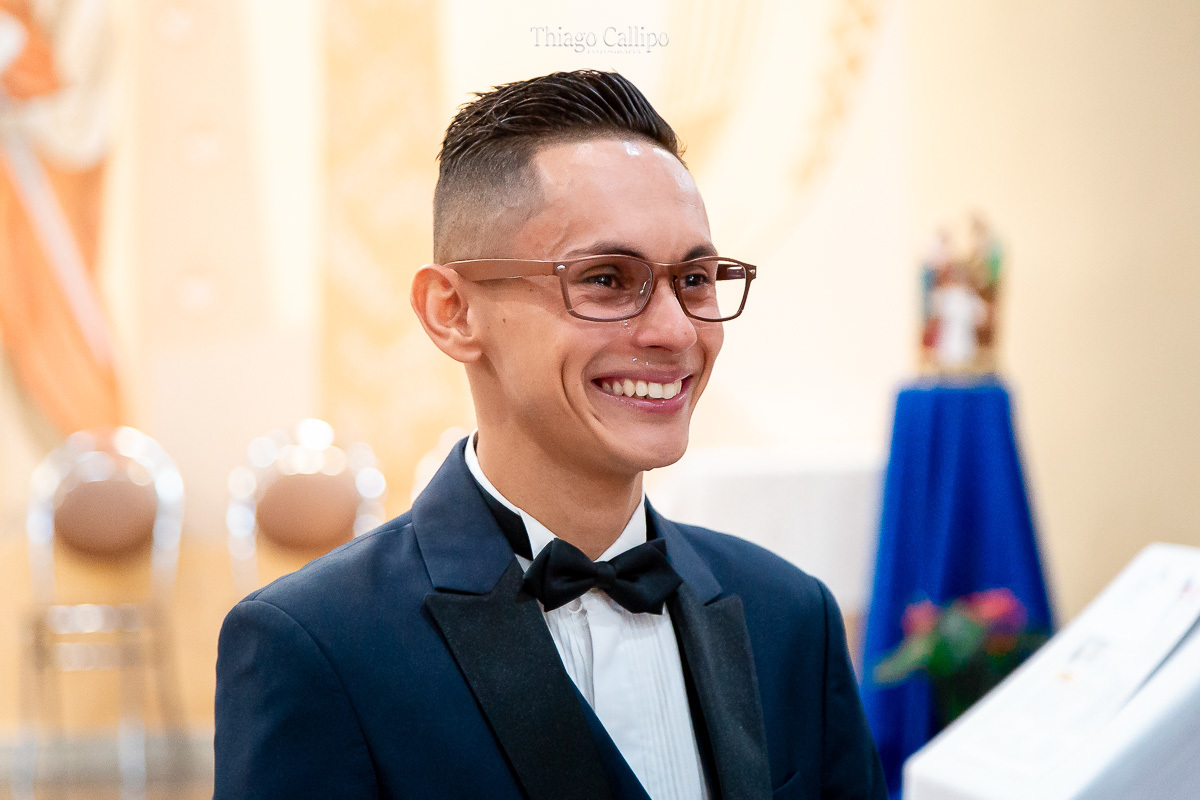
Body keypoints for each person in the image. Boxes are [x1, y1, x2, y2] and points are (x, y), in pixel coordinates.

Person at [215, 69, 886, 800]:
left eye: (694, 280)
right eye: (606, 278)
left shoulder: (792, 618)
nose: (675, 331)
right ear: (451, 312)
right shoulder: (319, 646)